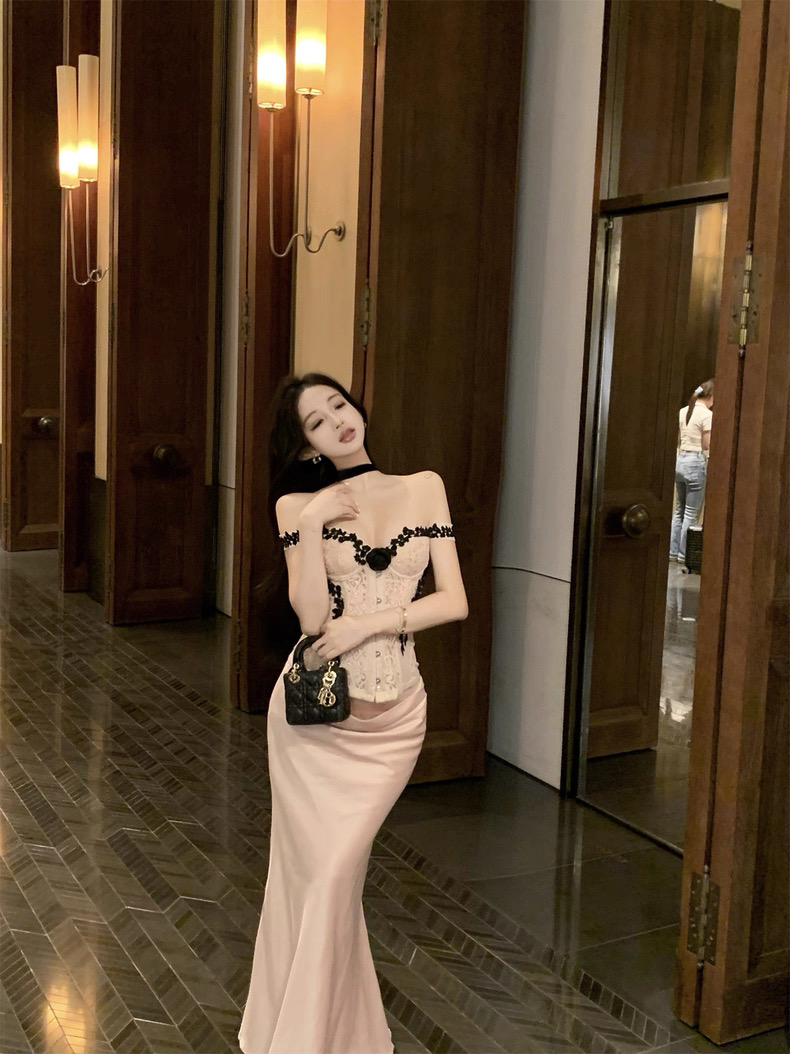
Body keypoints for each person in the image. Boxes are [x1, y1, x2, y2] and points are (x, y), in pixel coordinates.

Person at [238, 372, 468, 1054]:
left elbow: (453, 600)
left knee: (334, 877)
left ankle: (318, 1034)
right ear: (306, 445)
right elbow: (312, 617)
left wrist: (370, 623)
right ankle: (313, 1037)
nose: (337, 419)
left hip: (395, 720)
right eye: (316, 421)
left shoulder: (423, 487)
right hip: (315, 723)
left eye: (338, 404)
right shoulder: (295, 505)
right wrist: (313, 522)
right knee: (317, 881)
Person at [669, 379, 714, 565]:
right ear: (710, 396)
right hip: (695, 462)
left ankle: (672, 551)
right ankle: (683, 554)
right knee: (690, 513)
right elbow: (706, 444)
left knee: (678, 510)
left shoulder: (683, 411)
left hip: (680, 460)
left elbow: (680, 438)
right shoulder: (707, 415)